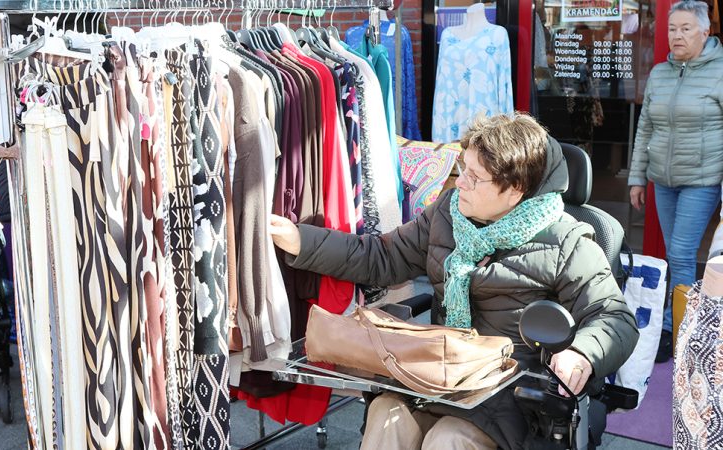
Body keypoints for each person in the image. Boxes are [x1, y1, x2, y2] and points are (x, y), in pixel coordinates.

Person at [269, 113, 639, 450]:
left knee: (449, 439)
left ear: (515, 189)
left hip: (512, 394)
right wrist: (302, 241)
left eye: (474, 177)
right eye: (463, 168)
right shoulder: (448, 213)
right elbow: (382, 257)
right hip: (440, 376)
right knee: (386, 414)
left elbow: (613, 318)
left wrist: (581, 353)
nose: (459, 181)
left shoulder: (567, 242)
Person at [627, 0, 723, 362]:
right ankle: (681, 321)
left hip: (702, 179)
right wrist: (637, 177)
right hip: (663, 181)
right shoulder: (660, 73)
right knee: (674, 255)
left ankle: (676, 329)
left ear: (705, 31)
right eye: (672, 29)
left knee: (681, 253)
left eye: (685, 28)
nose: (676, 35)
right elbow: (645, 128)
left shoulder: (719, 71)